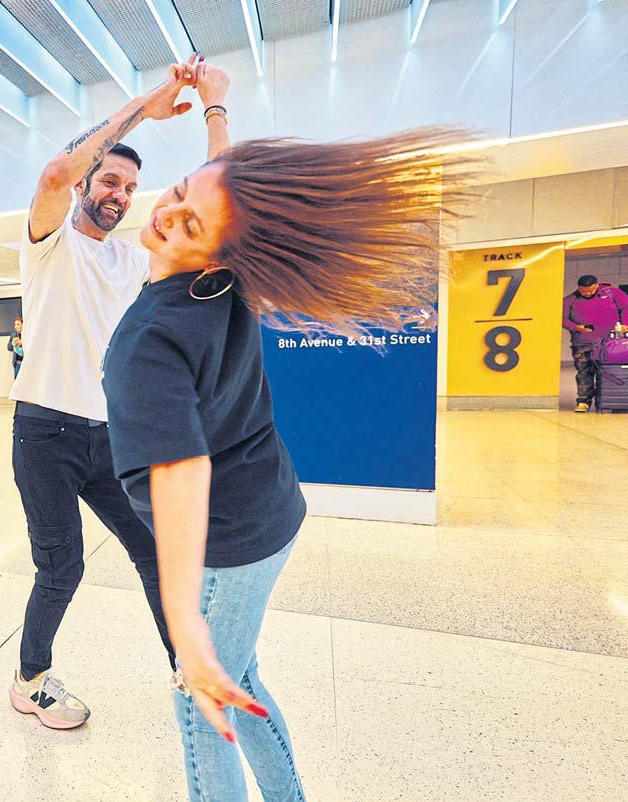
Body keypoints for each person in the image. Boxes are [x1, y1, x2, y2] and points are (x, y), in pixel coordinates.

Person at [102, 66, 483, 798]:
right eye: (175, 196)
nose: (164, 217)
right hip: (272, 511)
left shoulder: (151, 339)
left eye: (188, 224)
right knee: (239, 679)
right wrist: (216, 109)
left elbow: (179, 473)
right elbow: (220, 181)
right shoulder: (226, 273)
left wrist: (183, 626)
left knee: (203, 699)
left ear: (217, 251)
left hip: (230, 537)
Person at [6, 54, 215, 730]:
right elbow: (53, 174)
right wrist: (149, 106)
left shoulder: (132, 262)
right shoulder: (48, 243)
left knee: (154, 551)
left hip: (109, 434)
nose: (121, 194)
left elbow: (210, 216)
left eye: (131, 186)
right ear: (88, 181)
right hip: (43, 432)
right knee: (61, 566)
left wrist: (215, 111)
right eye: (111, 179)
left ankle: (185, 668)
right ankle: (29, 679)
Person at [562, 275, 628, 412]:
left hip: (611, 344)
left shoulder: (613, 293)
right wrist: (576, 327)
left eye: (590, 291)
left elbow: (626, 308)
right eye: (583, 291)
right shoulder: (570, 300)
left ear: (597, 285)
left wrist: (625, 324)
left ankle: (614, 400)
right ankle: (583, 401)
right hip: (583, 343)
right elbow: (562, 319)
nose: (587, 294)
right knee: (584, 372)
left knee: (612, 372)